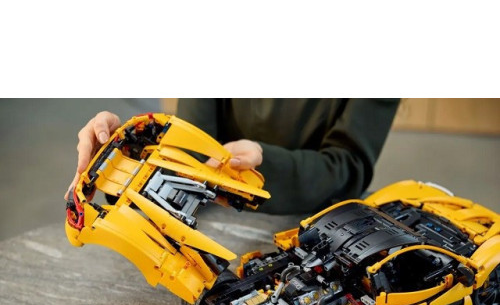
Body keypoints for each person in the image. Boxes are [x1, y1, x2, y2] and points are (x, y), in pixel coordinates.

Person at [66, 98, 400, 215]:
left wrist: (262, 164)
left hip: (313, 217)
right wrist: (127, 154)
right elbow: (186, 155)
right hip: (213, 211)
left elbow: (349, 166)